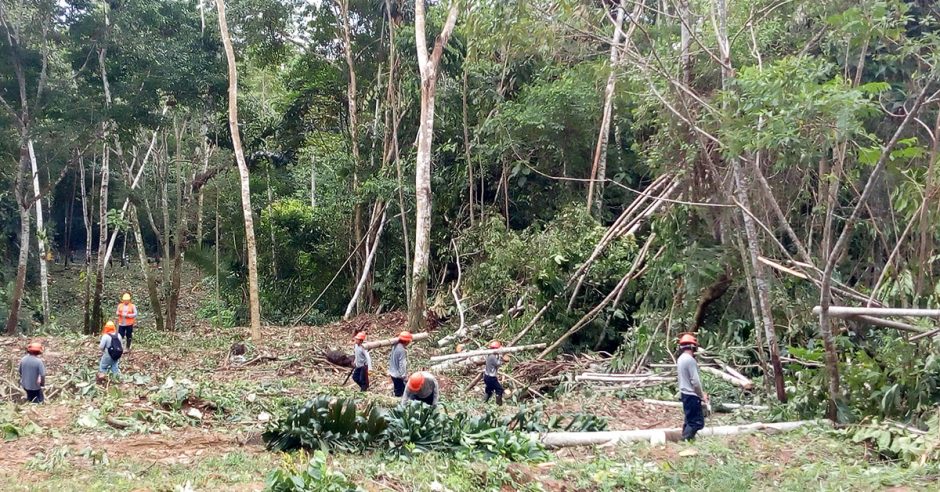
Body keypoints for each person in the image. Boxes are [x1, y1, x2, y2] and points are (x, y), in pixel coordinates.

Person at [677, 333, 708, 441]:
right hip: (692, 394)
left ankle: (687, 440)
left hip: (684, 393)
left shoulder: (680, 359)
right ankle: (686, 440)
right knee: (697, 422)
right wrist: (701, 396)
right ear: (692, 347)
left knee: (689, 420)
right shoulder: (690, 360)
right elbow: (695, 381)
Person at [388, 331, 412, 397]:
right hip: (398, 375)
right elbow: (402, 364)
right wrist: (404, 376)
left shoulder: (395, 345)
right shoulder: (401, 350)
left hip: (392, 373)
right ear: (406, 341)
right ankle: (399, 404)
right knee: (401, 392)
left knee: (397, 389)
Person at [483, 341, 507, 405]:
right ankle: (499, 405)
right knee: (499, 389)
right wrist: (501, 357)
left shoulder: (489, 355)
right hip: (491, 377)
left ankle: (483, 402)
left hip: (486, 376)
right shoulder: (492, 357)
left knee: (489, 390)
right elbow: (498, 364)